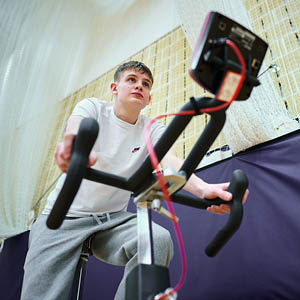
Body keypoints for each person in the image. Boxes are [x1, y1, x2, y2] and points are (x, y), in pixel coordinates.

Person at [21, 61, 248, 300]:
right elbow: (75, 130)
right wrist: (73, 147)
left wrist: (205, 189)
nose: (139, 86)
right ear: (114, 87)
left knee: (156, 239)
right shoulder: (94, 109)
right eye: (131, 80)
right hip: (63, 215)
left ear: (149, 98)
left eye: (146, 84)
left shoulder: (150, 128)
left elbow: (171, 161)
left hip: (112, 220)